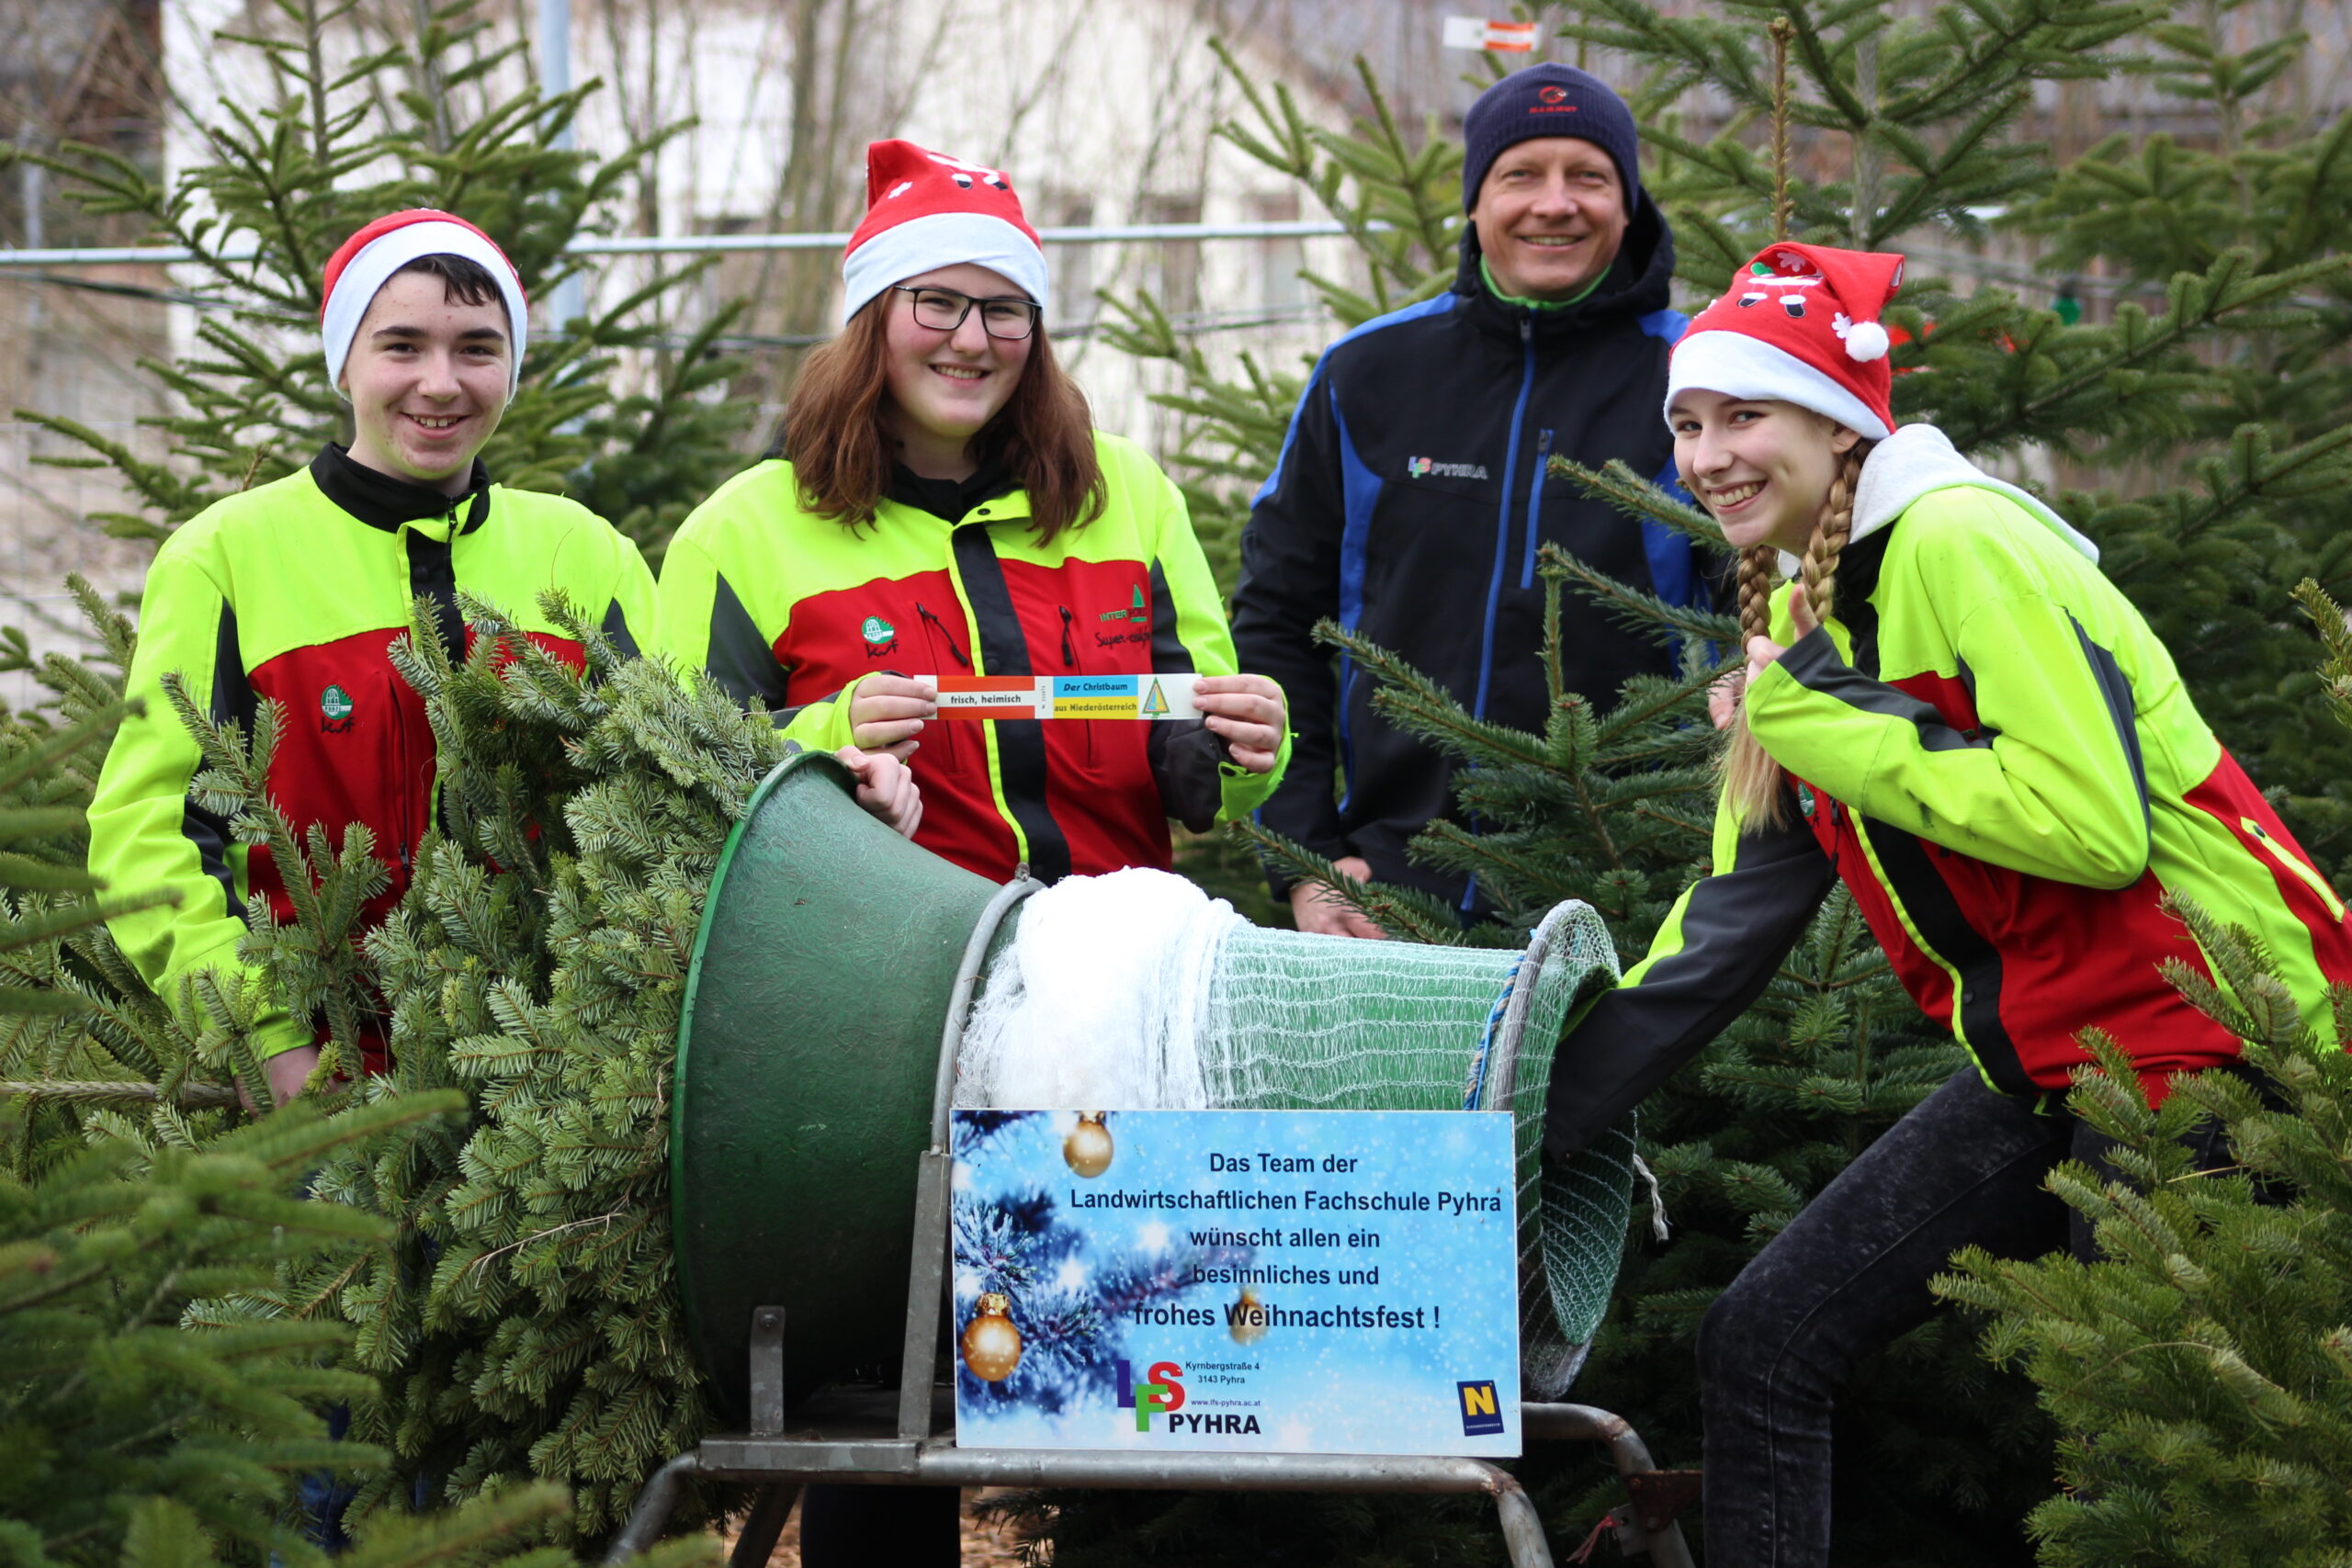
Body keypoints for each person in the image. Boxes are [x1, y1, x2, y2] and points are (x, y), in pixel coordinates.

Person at [1540, 240, 2352, 1567]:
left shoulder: (1959, 538)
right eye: (1688, 423)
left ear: (1837, 422)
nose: (1708, 454)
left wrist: (1820, 718)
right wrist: (1534, 1126)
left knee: (2139, 1446)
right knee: (1764, 1338)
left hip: (2219, 1038)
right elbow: (1729, 923)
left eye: (1744, 414)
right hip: (2062, 1056)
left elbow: (2091, 824)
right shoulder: (1812, 609)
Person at [87, 209, 919, 1117]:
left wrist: (832, 748)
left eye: (477, 349)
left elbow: (681, 768)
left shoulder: (579, 551)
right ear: (344, 362)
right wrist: (267, 1044)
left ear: (511, 367)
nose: (440, 384)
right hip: (314, 1099)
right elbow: (151, 833)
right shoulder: (226, 558)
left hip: (545, 1094)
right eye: (401, 345)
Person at [657, 139, 1289, 891]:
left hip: (1116, 968)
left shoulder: (1131, 490)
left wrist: (1246, 748)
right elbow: (677, 787)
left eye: (1004, 310)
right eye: (938, 302)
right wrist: (833, 738)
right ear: (871, 317)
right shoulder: (735, 532)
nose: (972, 339)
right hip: (876, 970)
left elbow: (1196, 764)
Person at [1232, 62, 1720, 937]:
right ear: (1476, 200)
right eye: (1521, 174)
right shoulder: (1368, 374)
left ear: (1629, 203)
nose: (1555, 203)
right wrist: (1305, 860)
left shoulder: (1701, 380)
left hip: (1639, 903)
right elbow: (1277, 619)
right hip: (1383, 893)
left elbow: (1768, 633)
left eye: (1590, 176)